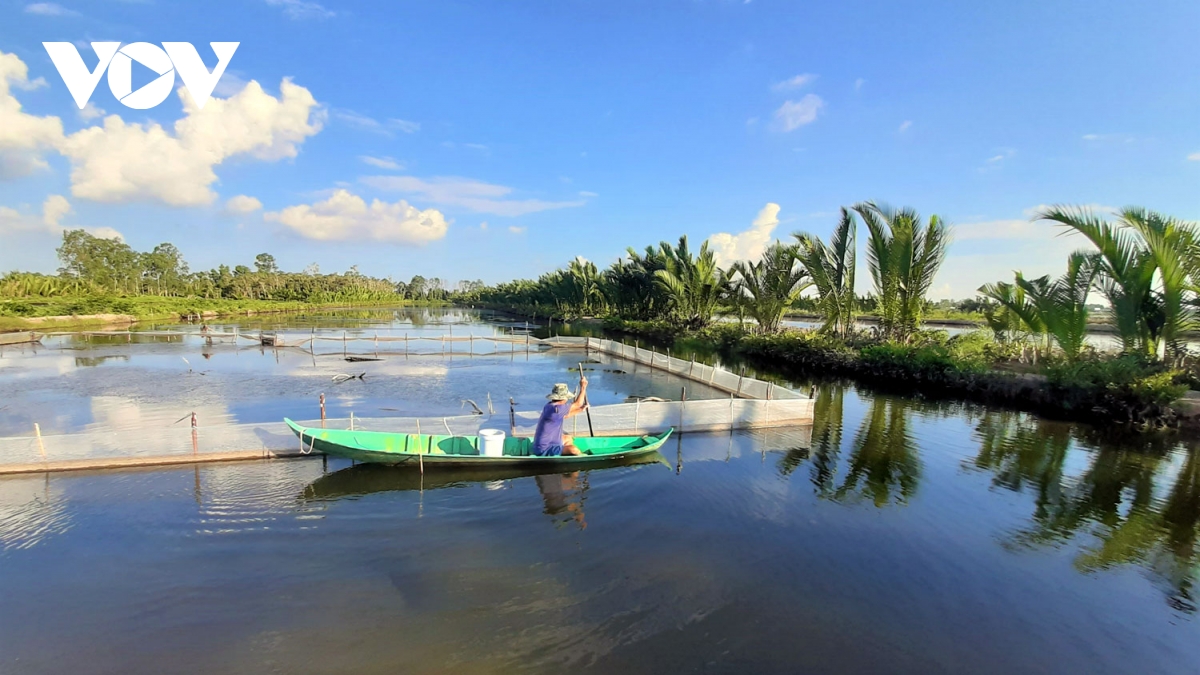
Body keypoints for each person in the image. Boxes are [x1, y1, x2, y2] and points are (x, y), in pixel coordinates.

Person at [531, 375, 588, 456]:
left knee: (568, 438)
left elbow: (565, 415)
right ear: (564, 398)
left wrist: (581, 409)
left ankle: (565, 453)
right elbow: (578, 403)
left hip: (547, 443)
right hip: (544, 449)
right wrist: (583, 387)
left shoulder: (550, 406)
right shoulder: (558, 408)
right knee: (574, 450)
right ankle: (580, 458)